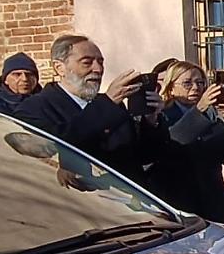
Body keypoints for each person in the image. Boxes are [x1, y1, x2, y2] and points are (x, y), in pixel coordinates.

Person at [13, 34, 167, 189]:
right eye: (87, 63)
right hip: (78, 205)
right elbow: (56, 144)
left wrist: (151, 121)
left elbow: (142, 157)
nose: (98, 69)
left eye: (100, 62)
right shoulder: (33, 108)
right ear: (60, 68)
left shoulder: (112, 106)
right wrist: (106, 104)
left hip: (129, 206)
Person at [161, 61, 224, 223]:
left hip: (216, 205)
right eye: (187, 83)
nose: (195, 88)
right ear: (171, 87)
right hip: (178, 203)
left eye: (200, 83)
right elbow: (174, 143)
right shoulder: (161, 115)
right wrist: (198, 110)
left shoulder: (212, 116)